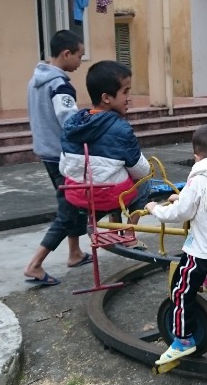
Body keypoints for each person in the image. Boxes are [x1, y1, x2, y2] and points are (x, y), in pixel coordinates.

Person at [146, 124, 207, 365]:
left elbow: (180, 213)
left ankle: (182, 339)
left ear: (197, 157)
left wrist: (155, 209)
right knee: (206, 245)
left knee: (180, 288)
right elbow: (206, 201)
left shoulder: (198, 179)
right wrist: (184, 197)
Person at [23, 30, 90, 286]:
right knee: (69, 208)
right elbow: (69, 121)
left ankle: (75, 252)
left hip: (46, 150)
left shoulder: (36, 80)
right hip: (62, 154)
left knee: (75, 202)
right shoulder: (60, 85)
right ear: (66, 54)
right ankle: (35, 264)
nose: (80, 62)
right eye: (79, 56)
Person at [58, 60, 152, 238]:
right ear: (106, 98)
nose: (129, 98)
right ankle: (129, 234)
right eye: (125, 92)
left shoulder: (72, 125)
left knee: (115, 172)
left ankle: (112, 227)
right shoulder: (121, 129)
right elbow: (142, 171)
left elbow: (63, 168)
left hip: (78, 195)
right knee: (144, 182)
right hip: (107, 197)